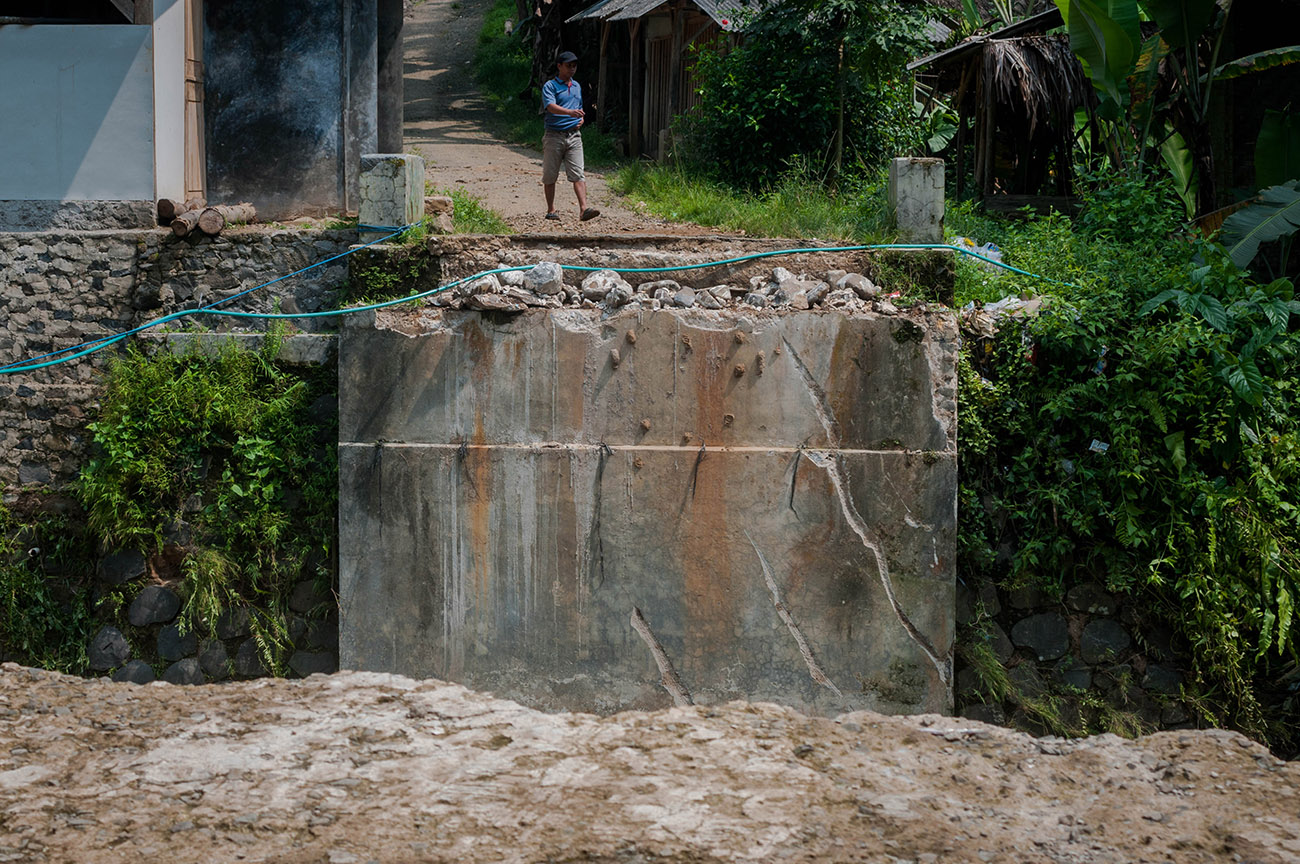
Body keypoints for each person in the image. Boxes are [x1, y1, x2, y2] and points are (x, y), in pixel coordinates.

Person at [541, 51, 599, 222]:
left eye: (574, 66)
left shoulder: (576, 86)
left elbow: (579, 107)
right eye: (568, 66)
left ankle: (584, 209)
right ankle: (551, 210)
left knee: (578, 173)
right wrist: (570, 113)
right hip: (553, 135)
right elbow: (550, 106)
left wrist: (580, 118)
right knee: (550, 174)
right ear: (559, 66)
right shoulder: (550, 86)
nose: (572, 69)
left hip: (574, 135)